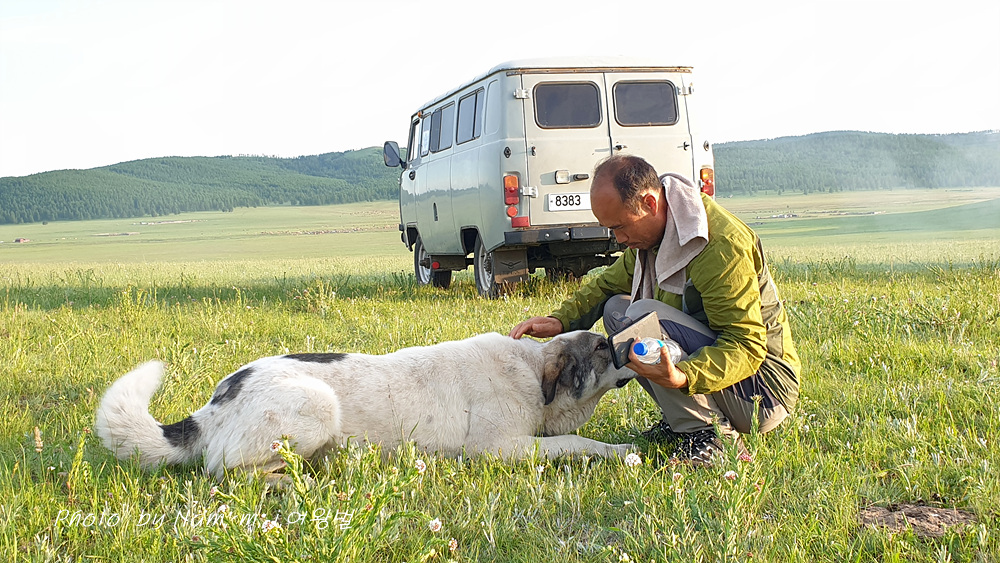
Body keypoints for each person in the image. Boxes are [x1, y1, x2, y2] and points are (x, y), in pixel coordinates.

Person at [509, 154, 801, 465]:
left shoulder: (720, 245)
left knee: (639, 319)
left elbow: (746, 346)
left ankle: (711, 437)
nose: (620, 239)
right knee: (616, 311)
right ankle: (682, 421)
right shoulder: (656, 234)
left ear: (649, 203)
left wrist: (684, 375)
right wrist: (560, 320)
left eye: (620, 227)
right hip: (730, 383)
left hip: (763, 395)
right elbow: (607, 285)